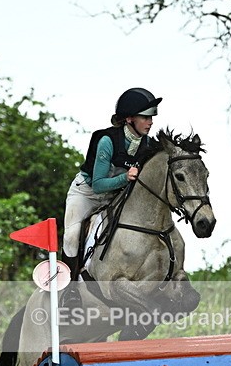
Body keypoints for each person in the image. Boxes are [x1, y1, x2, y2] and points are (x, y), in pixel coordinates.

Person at [62, 87, 162, 280]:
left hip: (116, 196)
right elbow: (98, 185)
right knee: (72, 237)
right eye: (145, 117)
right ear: (129, 119)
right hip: (87, 194)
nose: (150, 122)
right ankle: (68, 286)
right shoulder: (107, 141)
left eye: (151, 117)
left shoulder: (147, 145)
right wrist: (125, 178)